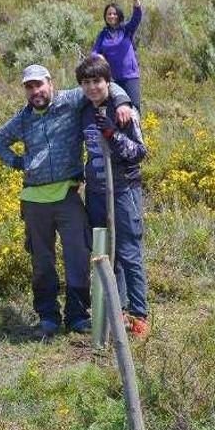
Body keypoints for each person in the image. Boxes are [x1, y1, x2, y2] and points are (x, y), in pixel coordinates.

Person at [0, 64, 132, 338]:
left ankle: (77, 316)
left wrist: (123, 101)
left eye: (39, 85)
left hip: (68, 196)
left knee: (77, 256)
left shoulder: (71, 101)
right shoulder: (23, 118)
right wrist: (18, 162)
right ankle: (48, 317)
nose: (35, 91)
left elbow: (104, 86)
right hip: (34, 199)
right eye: (29, 87)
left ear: (50, 83)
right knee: (42, 261)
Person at [76, 55, 149, 338]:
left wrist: (113, 135)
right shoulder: (83, 109)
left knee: (129, 252)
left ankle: (139, 314)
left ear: (108, 81)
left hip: (123, 190)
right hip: (95, 192)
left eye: (97, 81)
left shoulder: (124, 112)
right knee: (107, 252)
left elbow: (139, 152)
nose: (93, 87)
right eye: (87, 82)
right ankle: (117, 308)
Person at [91, 0, 142, 109]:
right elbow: (94, 52)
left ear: (118, 16)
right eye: (109, 14)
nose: (112, 16)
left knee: (134, 106)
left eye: (114, 13)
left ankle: (136, 128)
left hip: (130, 77)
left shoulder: (126, 29)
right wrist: (98, 57)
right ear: (105, 16)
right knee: (116, 108)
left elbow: (137, 17)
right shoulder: (103, 35)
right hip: (113, 79)